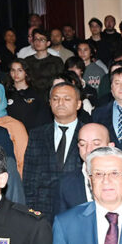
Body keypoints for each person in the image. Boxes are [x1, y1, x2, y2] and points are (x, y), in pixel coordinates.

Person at [22, 81, 84, 216]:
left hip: (79, 208)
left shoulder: (88, 134)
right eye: (55, 99)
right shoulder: (37, 134)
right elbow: (29, 177)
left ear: (78, 104)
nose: (60, 103)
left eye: (67, 99)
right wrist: (31, 210)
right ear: (49, 103)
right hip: (43, 210)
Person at [58, 123, 114, 213]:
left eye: (96, 144)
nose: (88, 149)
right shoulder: (66, 183)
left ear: (110, 147)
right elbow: (61, 222)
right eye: (83, 144)